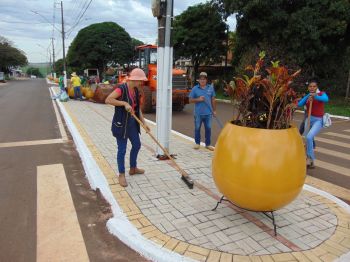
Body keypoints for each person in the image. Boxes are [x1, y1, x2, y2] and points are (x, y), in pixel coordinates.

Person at [105, 68, 150, 187]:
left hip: (132, 123)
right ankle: (121, 174)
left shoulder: (135, 90)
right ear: (134, 79)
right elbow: (108, 99)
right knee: (122, 149)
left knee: (137, 145)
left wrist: (144, 123)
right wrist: (124, 103)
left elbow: (137, 108)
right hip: (121, 124)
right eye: (140, 81)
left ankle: (133, 168)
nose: (141, 83)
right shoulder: (121, 88)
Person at [297, 80, 329, 169]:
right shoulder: (308, 96)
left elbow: (326, 99)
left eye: (314, 86)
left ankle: (310, 158)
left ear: (317, 87)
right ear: (308, 88)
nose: (312, 88)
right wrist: (308, 97)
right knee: (307, 139)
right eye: (310, 86)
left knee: (309, 137)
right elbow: (299, 104)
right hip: (309, 119)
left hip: (318, 120)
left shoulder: (321, 94)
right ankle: (311, 161)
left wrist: (316, 97)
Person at [189, 72, 216, 151]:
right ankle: (197, 143)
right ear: (199, 80)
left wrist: (214, 111)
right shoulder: (195, 88)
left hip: (208, 113)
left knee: (208, 128)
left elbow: (213, 99)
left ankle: (208, 144)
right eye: (201, 79)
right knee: (197, 128)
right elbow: (190, 100)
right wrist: (199, 99)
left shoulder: (210, 88)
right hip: (198, 113)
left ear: (206, 80)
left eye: (204, 79)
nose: (202, 80)